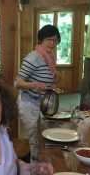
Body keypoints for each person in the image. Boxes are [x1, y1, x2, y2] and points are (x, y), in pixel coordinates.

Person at [14, 24, 61, 152]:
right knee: (34, 140)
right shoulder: (34, 57)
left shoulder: (49, 57)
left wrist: (54, 79)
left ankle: (38, 162)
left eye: (55, 40)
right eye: (48, 40)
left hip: (40, 103)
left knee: (39, 136)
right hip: (29, 104)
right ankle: (35, 167)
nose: (52, 43)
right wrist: (34, 85)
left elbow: (44, 75)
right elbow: (17, 82)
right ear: (40, 40)